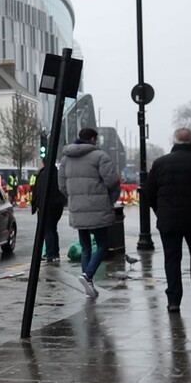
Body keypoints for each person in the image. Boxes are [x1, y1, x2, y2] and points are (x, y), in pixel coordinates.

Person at [142, 127, 191, 313]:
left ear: (174, 141)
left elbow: (149, 192)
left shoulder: (160, 163)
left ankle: (173, 300)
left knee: (171, 258)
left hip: (168, 219)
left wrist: (158, 210)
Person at [59, 128, 119, 298]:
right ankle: (88, 275)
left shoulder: (65, 159)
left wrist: (75, 198)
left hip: (77, 209)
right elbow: (112, 181)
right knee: (102, 245)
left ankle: (88, 285)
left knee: (85, 247)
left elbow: (62, 186)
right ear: (93, 139)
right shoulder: (100, 156)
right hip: (98, 208)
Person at [31, 161, 66, 263]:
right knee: (53, 229)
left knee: (47, 230)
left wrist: (36, 205)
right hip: (57, 206)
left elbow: (39, 191)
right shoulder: (58, 173)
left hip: (46, 207)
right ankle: (55, 253)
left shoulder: (43, 174)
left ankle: (50, 253)